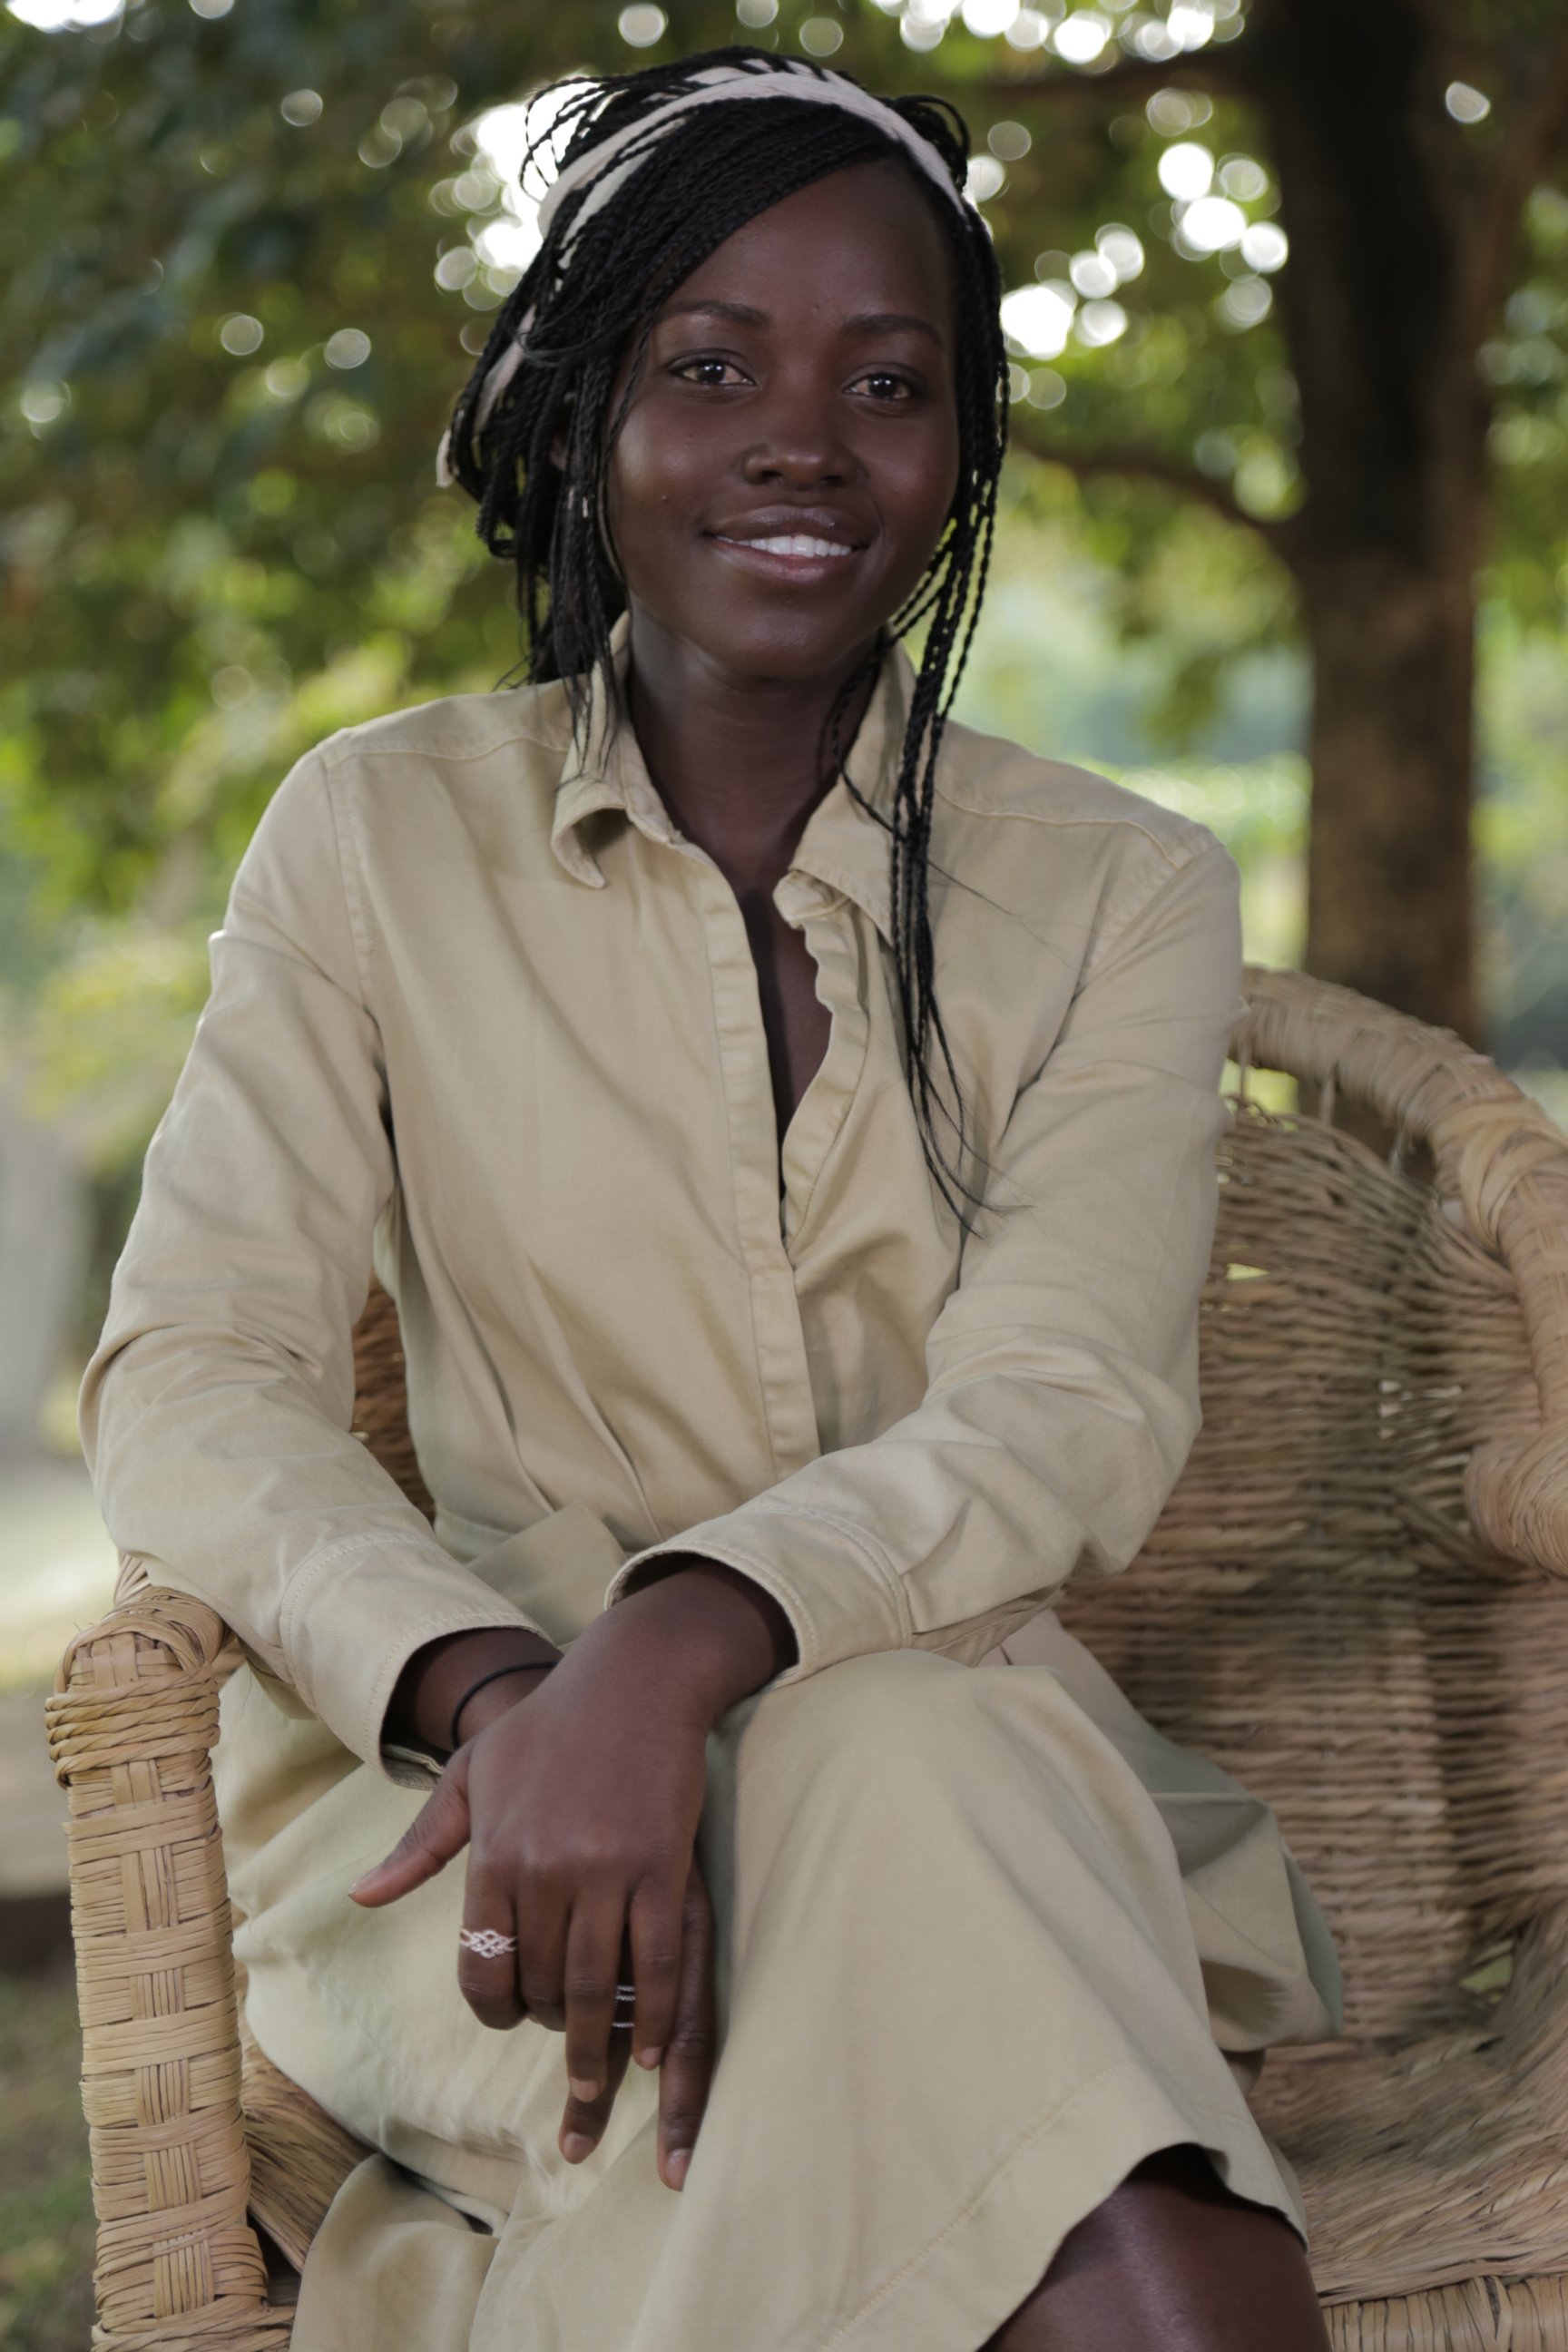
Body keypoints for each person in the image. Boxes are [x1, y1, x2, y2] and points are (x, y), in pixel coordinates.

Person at [79, 48, 1342, 2352]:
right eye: (708, 366)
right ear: (582, 419)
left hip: (964, 1784)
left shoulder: (1119, 892)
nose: (803, 438)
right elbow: (193, 1375)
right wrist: (507, 1699)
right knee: (1097, 2176)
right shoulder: (372, 841)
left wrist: (688, 1642)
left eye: (889, 382)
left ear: (957, 457)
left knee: (915, 1744)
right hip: (489, 1857)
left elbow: (1065, 1403)